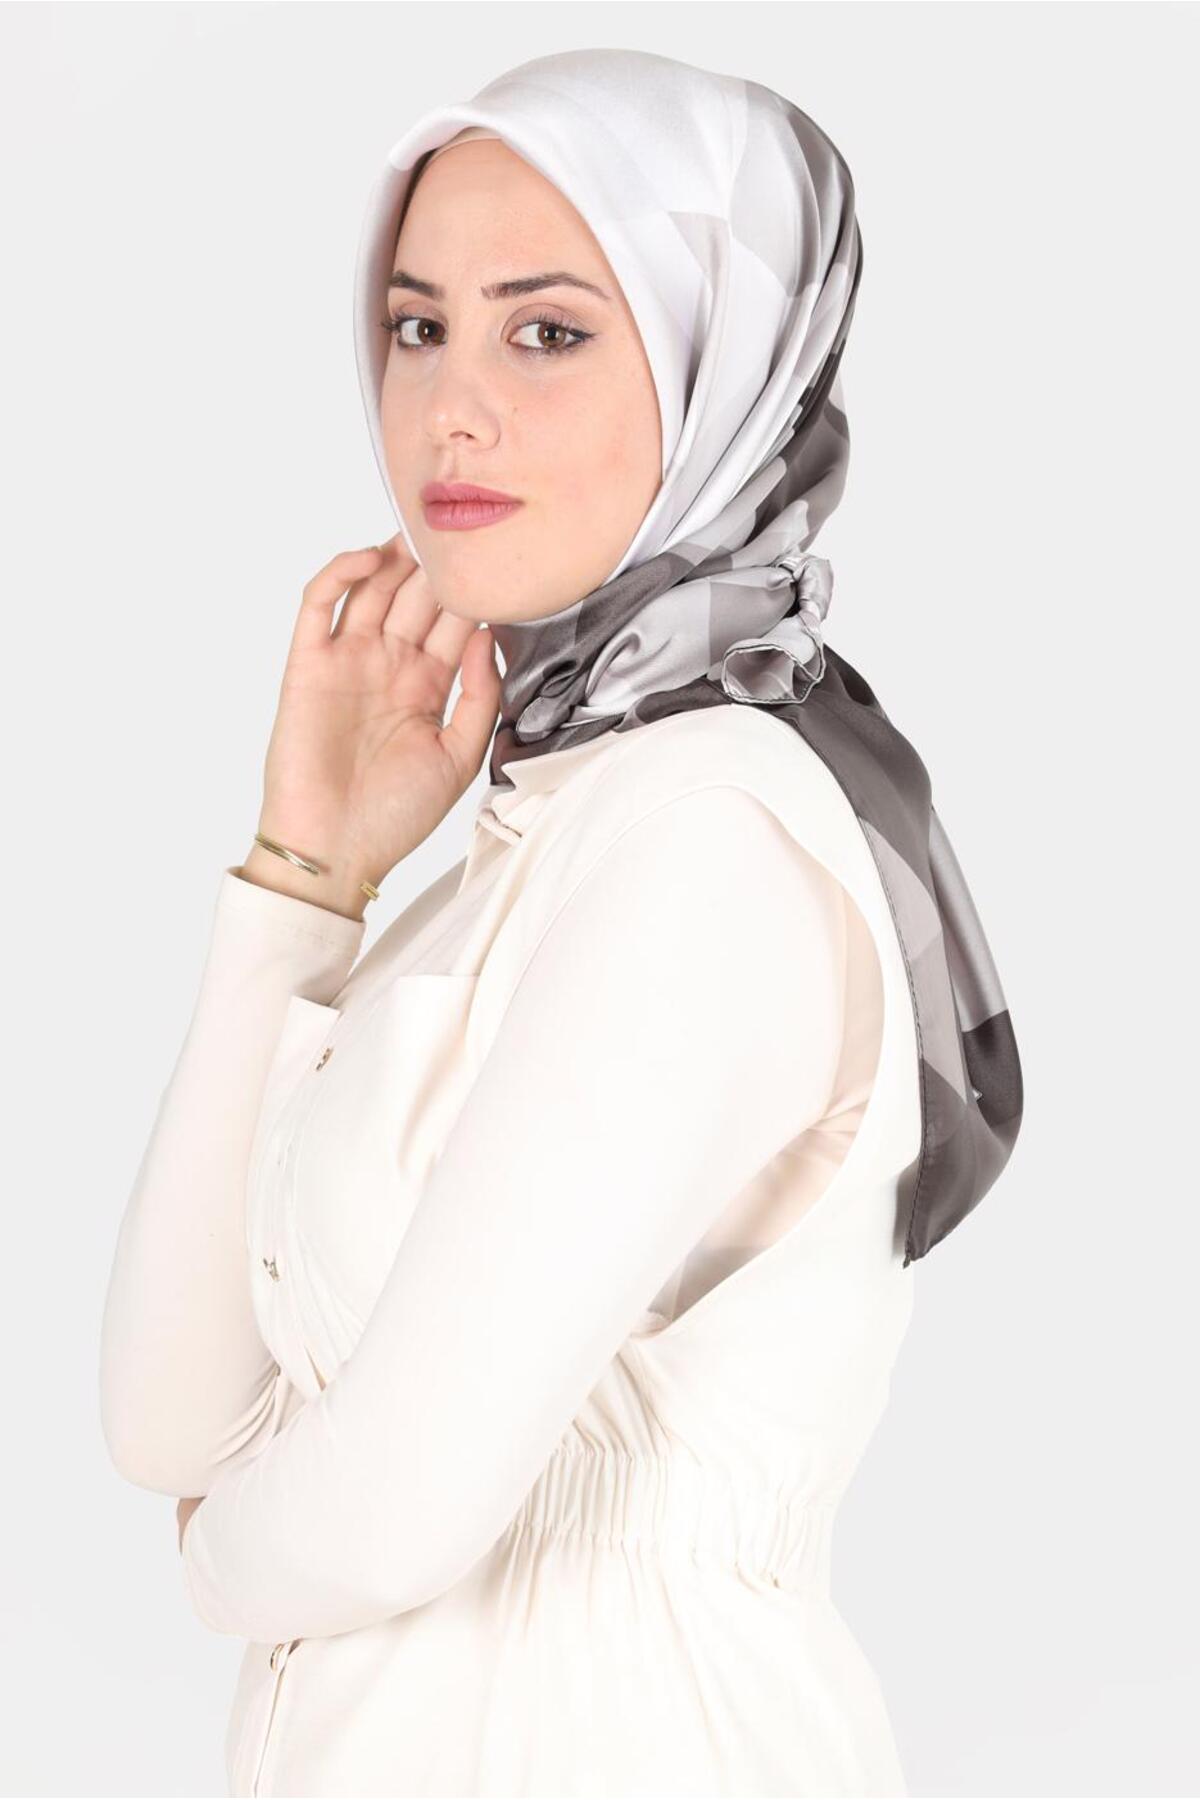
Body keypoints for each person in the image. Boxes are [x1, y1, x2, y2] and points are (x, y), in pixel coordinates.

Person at [99, 48, 1022, 1800]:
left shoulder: (714, 832)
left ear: (727, 369)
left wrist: (216, 1562)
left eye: (546, 332)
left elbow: (388, 1512)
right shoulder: (529, 839)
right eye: (416, 325)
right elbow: (168, 1417)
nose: (450, 408)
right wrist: (304, 881)